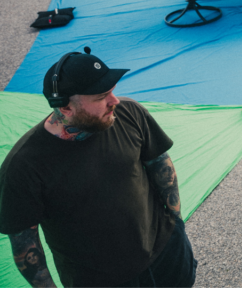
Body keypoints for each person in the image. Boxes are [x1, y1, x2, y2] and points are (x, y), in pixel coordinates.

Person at [0, 47, 197, 287]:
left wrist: (175, 223)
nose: (114, 101)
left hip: (168, 254)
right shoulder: (24, 167)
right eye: (101, 96)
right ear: (65, 108)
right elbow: (25, 244)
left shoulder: (129, 112)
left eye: (112, 91)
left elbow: (160, 164)